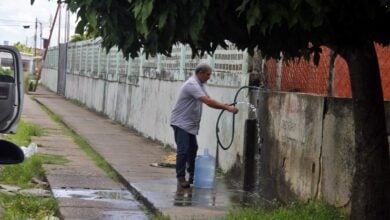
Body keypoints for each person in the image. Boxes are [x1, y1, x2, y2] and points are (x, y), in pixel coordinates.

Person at [170, 63, 238, 188]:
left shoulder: (199, 85)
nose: (209, 77)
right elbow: (207, 102)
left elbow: (208, 98)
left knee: (193, 149)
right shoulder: (192, 84)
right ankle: (180, 178)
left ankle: (192, 176)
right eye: (208, 74)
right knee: (183, 151)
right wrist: (227, 108)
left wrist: (224, 104)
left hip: (189, 124)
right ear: (200, 73)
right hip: (181, 123)